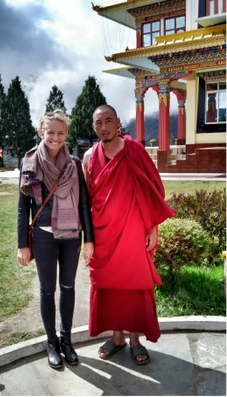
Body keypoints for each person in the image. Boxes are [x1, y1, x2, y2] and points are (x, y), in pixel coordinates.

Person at [82, 104, 175, 366]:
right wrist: (87, 238)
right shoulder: (89, 157)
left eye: (108, 121)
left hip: (133, 230)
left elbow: (152, 189)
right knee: (108, 285)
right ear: (93, 127)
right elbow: (85, 201)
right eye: (98, 123)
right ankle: (117, 336)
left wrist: (152, 227)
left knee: (135, 286)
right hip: (103, 234)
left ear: (118, 122)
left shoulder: (134, 150)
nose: (103, 127)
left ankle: (135, 340)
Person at [17, 109, 94, 369]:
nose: (55, 137)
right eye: (50, 132)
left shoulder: (74, 164)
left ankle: (66, 341)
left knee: (69, 288)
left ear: (66, 134)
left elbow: (85, 203)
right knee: (47, 290)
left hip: (72, 236)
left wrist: (89, 239)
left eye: (61, 133)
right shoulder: (29, 162)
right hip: (43, 236)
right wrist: (22, 244)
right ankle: (51, 343)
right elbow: (22, 207)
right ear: (42, 131)